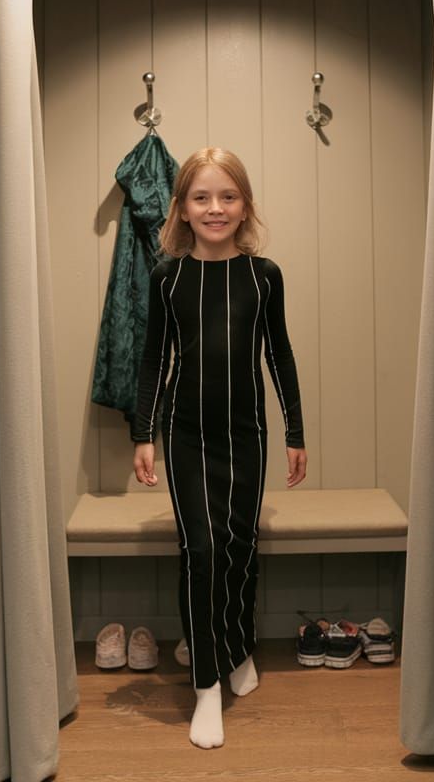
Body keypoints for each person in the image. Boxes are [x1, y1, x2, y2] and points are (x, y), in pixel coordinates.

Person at [130, 147, 308, 748]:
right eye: (202, 197)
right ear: (182, 207)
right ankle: (207, 684)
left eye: (227, 196)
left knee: (237, 545)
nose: (215, 208)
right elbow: (154, 358)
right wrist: (142, 434)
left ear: (245, 205)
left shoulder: (264, 276)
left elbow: (278, 354)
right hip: (184, 435)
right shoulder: (167, 278)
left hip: (247, 437)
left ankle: (236, 649)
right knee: (201, 550)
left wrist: (295, 432)